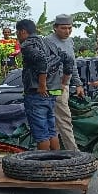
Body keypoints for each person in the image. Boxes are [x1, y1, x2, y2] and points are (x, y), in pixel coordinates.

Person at [16, 19, 74, 150]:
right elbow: (68, 59)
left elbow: (42, 61)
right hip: (52, 93)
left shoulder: (28, 45)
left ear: (23, 31)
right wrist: (64, 82)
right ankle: (56, 164)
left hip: (37, 93)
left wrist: (42, 85)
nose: (17, 36)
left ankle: (45, 168)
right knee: (51, 131)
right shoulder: (49, 43)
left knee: (41, 134)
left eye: (17, 33)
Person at [46, 14, 84, 151]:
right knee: (64, 117)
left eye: (70, 28)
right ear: (55, 28)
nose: (67, 31)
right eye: (63, 28)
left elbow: (72, 64)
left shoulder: (70, 42)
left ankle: (54, 151)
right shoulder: (48, 42)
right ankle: (74, 151)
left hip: (66, 85)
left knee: (56, 120)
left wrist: (78, 84)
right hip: (54, 86)